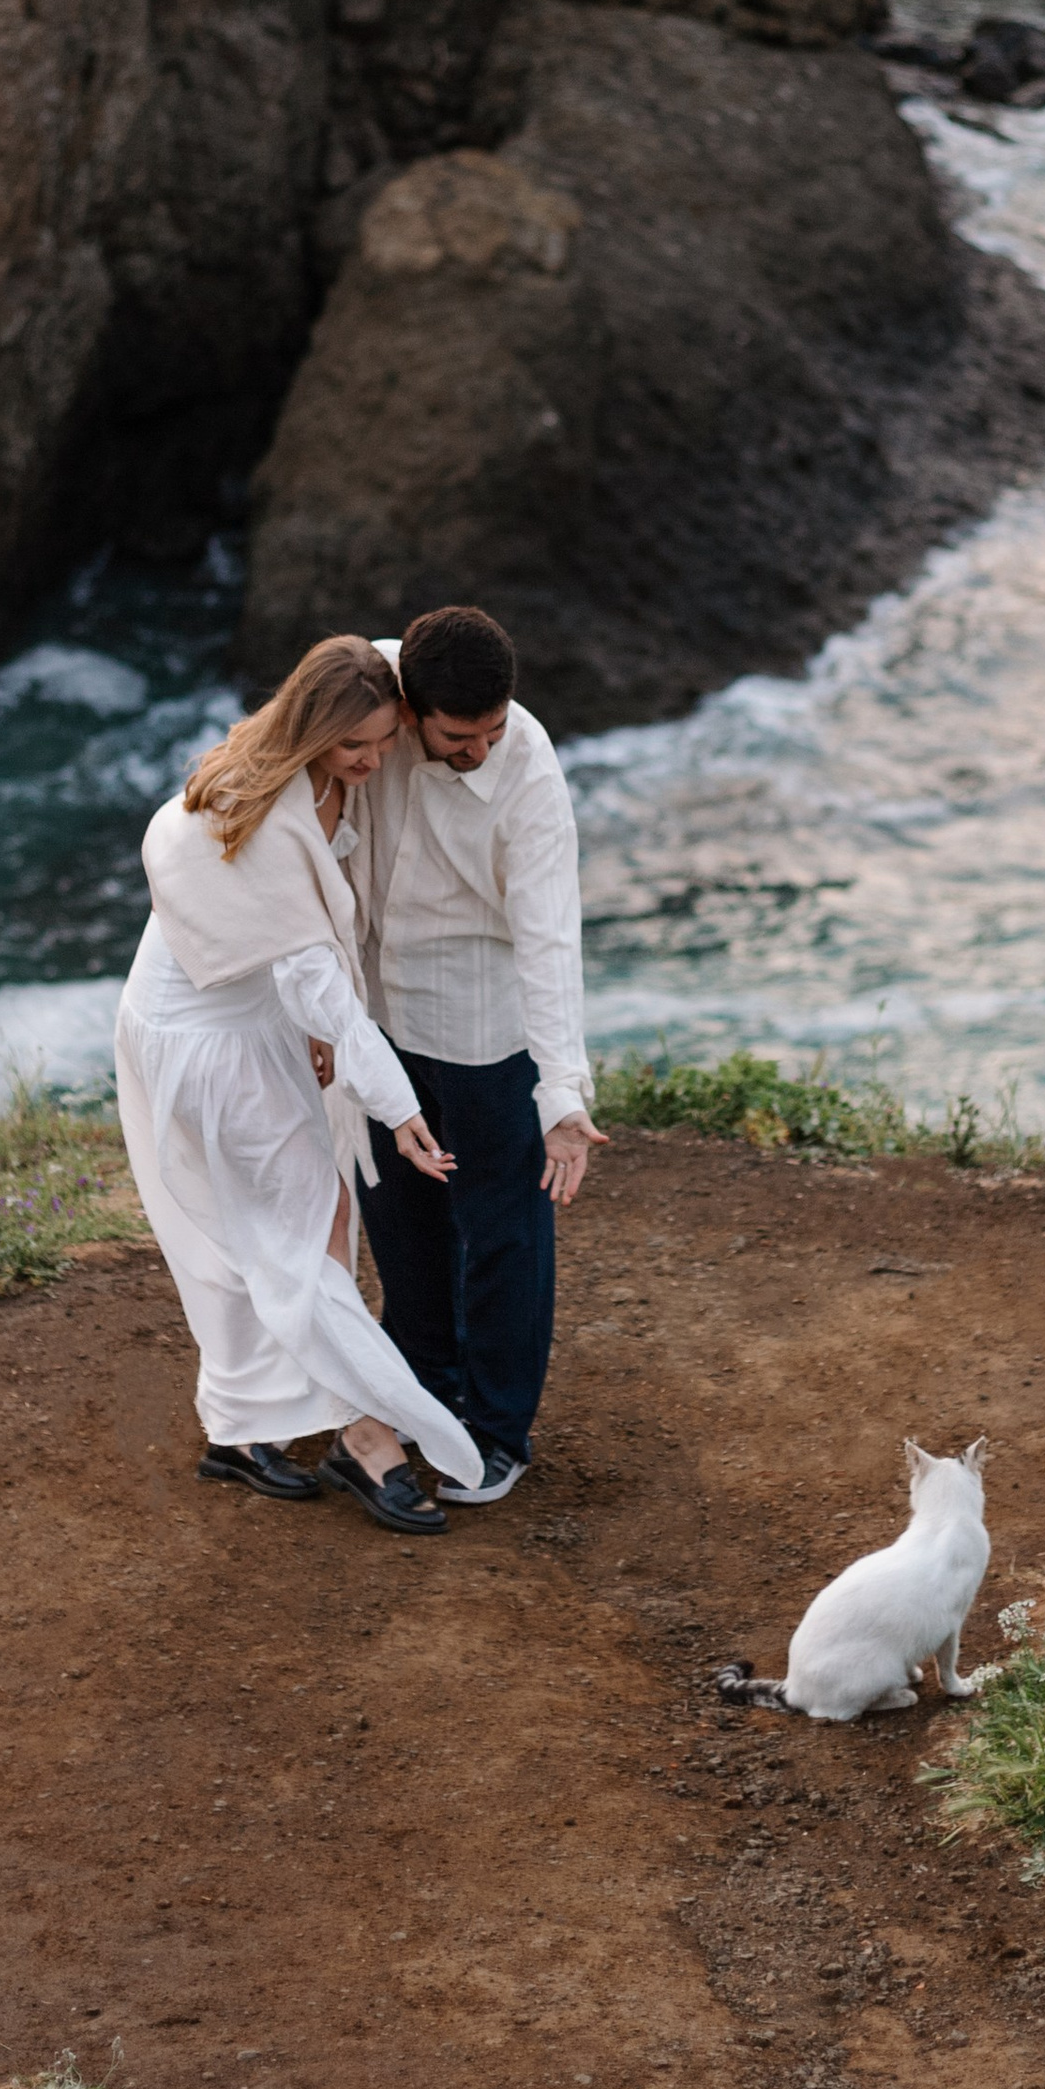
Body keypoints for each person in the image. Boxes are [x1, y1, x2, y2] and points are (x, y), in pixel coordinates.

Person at [114, 634, 481, 1539]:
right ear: (312, 730)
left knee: (270, 1229)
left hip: (241, 1012)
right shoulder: (265, 810)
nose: (374, 761)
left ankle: (239, 1427)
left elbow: (293, 955)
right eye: (356, 745)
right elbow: (315, 975)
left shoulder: (314, 773)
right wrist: (399, 1108)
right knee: (301, 1227)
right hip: (208, 1037)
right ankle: (368, 1436)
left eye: (386, 741)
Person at [350, 604, 604, 1505]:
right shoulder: (367, 694)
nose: (482, 750)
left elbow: (551, 935)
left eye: (493, 730)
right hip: (377, 1015)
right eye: (461, 737)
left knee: (503, 1233)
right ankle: (423, 1393)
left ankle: (499, 1431)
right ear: (409, 709)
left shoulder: (527, 771)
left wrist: (561, 1093)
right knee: (401, 1221)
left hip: (484, 1030)